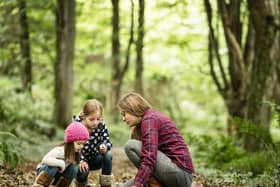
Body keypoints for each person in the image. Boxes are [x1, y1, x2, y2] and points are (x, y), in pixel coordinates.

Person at [118, 92, 194, 187]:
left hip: (181, 175)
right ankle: (153, 183)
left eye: (124, 114)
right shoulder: (147, 120)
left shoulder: (150, 119)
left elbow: (149, 157)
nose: (123, 119)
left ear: (132, 108)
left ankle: (154, 184)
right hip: (174, 174)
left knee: (131, 146)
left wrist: (137, 184)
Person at [32, 121, 89, 187]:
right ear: (70, 142)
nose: (81, 146)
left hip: (57, 175)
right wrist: (61, 163)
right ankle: (40, 184)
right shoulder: (61, 150)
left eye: (83, 144)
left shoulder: (76, 152)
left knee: (74, 168)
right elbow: (45, 159)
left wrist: (80, 163)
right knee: (54, 165)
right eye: (79, 144)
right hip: (44, 172)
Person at [73, 99, 113, 187]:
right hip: (79, 161)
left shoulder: (101, 124)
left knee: (108, 154)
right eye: (91, 119)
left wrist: (104, 146)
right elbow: (71, 147)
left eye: (98, 119)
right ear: (84, 116)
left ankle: (105, 184)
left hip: (95, 159)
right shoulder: (76, 126)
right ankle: (80, 183)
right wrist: (81, 160)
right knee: (83, 171)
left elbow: (107, 140)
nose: (95, 122)